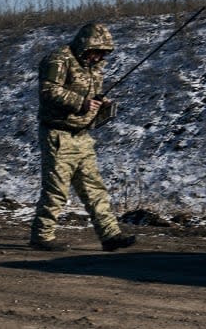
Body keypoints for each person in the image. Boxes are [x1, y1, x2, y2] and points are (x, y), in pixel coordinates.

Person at [29, 21, 137, 252]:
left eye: (103, 53)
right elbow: (49, 90)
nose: (99, 57)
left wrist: (100, 103)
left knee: (94, 188)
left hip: (83, 136)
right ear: (86, 46)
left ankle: (110, 235)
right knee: (56, 189)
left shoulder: (94, 67)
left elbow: (90, 93)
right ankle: (42, 236)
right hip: (58, 135)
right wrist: (82, 103)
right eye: (97, 52)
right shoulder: (58, 59)